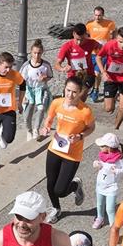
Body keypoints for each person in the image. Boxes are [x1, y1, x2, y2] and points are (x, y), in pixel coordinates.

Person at [40, 77, 96, 224]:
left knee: (60, 190)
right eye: (68, 90)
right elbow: (49, 118)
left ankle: (75, 185)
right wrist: (46, 127)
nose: (70, 95)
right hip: (55, 148)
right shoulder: (57, 103)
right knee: (50, 184)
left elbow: (91, 128)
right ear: (64, 88)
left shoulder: (85, 111)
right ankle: (56, 209)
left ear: (80, 93)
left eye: (74, 92)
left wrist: (80, 136)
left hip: (72, 154)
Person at [54, 23, 100, 101]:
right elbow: (57, 64)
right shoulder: (67, 46)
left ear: (85, 34)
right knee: (69, 100)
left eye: (81, 39)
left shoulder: (91, 43)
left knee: (80, 98)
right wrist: (63, 68)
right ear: (73, 34)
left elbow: (103, 49)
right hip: (73, 76)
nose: (79, 42)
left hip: (88, 75)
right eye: (77, 39)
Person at [92, 132, 123, 229]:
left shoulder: (118, 160)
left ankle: (113, 227)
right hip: (100, 185)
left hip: (111, 188)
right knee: (99, 204)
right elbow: (101, 164)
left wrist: (117, 170)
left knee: (110, 209)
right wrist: (97, 164)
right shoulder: (103, 156)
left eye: (102, 146)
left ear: (108, 147)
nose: (100, 148)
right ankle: (100, 218)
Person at [19, 39, 53, 141]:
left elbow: (50, 76)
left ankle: (35, 129)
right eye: (35, 53)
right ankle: (28, 130)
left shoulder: (45, 65)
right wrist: (23, 96)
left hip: (41, 89)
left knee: (41, 108)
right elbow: (21, 81)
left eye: (39, 53)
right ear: (31, 52)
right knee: (27, 115)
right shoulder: (26, 66)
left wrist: (45, 78)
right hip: (29, 90)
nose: (37, 55)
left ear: (42, 53)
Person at [86, 6, 117, 102]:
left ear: (103, 15)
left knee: (97, 73)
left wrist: (112, 43)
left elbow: (115, 32)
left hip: (103, 54)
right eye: (95, 15)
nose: (97, 17)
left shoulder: (110, 23)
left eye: (99, 15)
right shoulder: (89, 24)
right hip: (91, 53)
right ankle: (92, 88)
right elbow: (86, 36)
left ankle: (95, 90)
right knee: (90, 73)